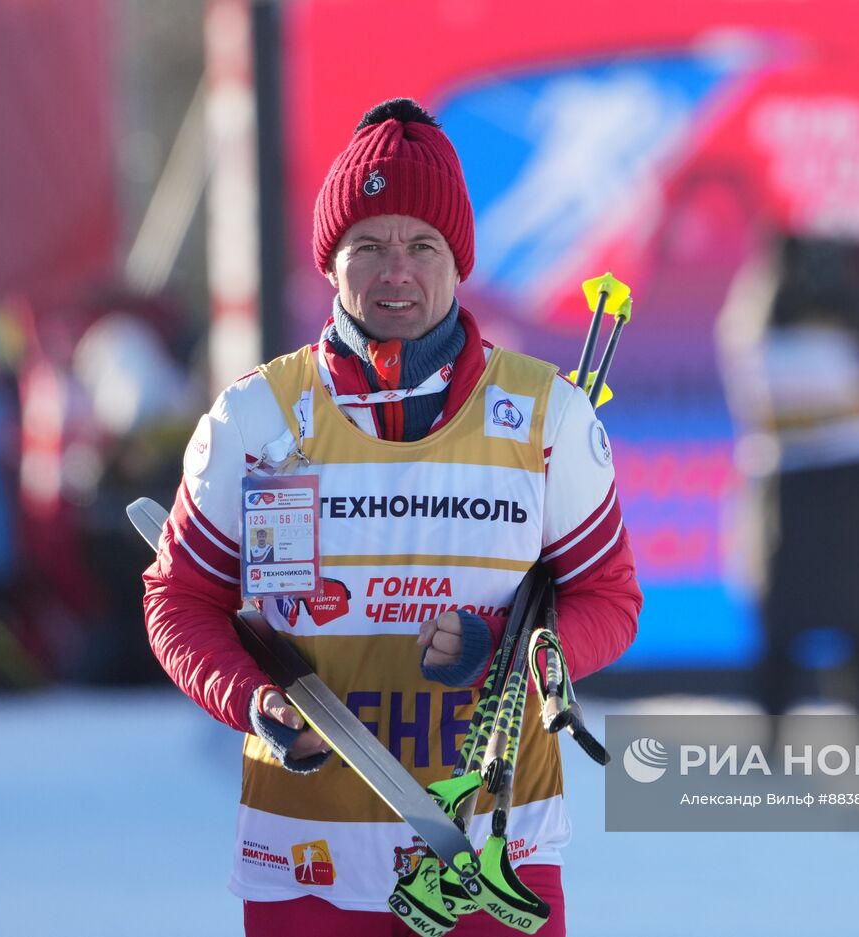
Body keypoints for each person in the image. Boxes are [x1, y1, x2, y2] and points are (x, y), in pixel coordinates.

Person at [142, 98, 642, 935]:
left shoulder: (548, 415)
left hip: (492, 860)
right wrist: (255, 699)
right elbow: (178, 600)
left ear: (460, 261)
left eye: (422, 246)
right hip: (306, 864)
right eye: (367, 246)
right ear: (329, 263)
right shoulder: (255, 417)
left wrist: (508, 649)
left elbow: (608, 601)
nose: (394, 271)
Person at [717, 235, 859, 751]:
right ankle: (851, 743)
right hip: (831, 482)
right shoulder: (794, 327)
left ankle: (805, 743)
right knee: (826, 627)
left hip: (810, 484)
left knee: (818, 627)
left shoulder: (755, 326)